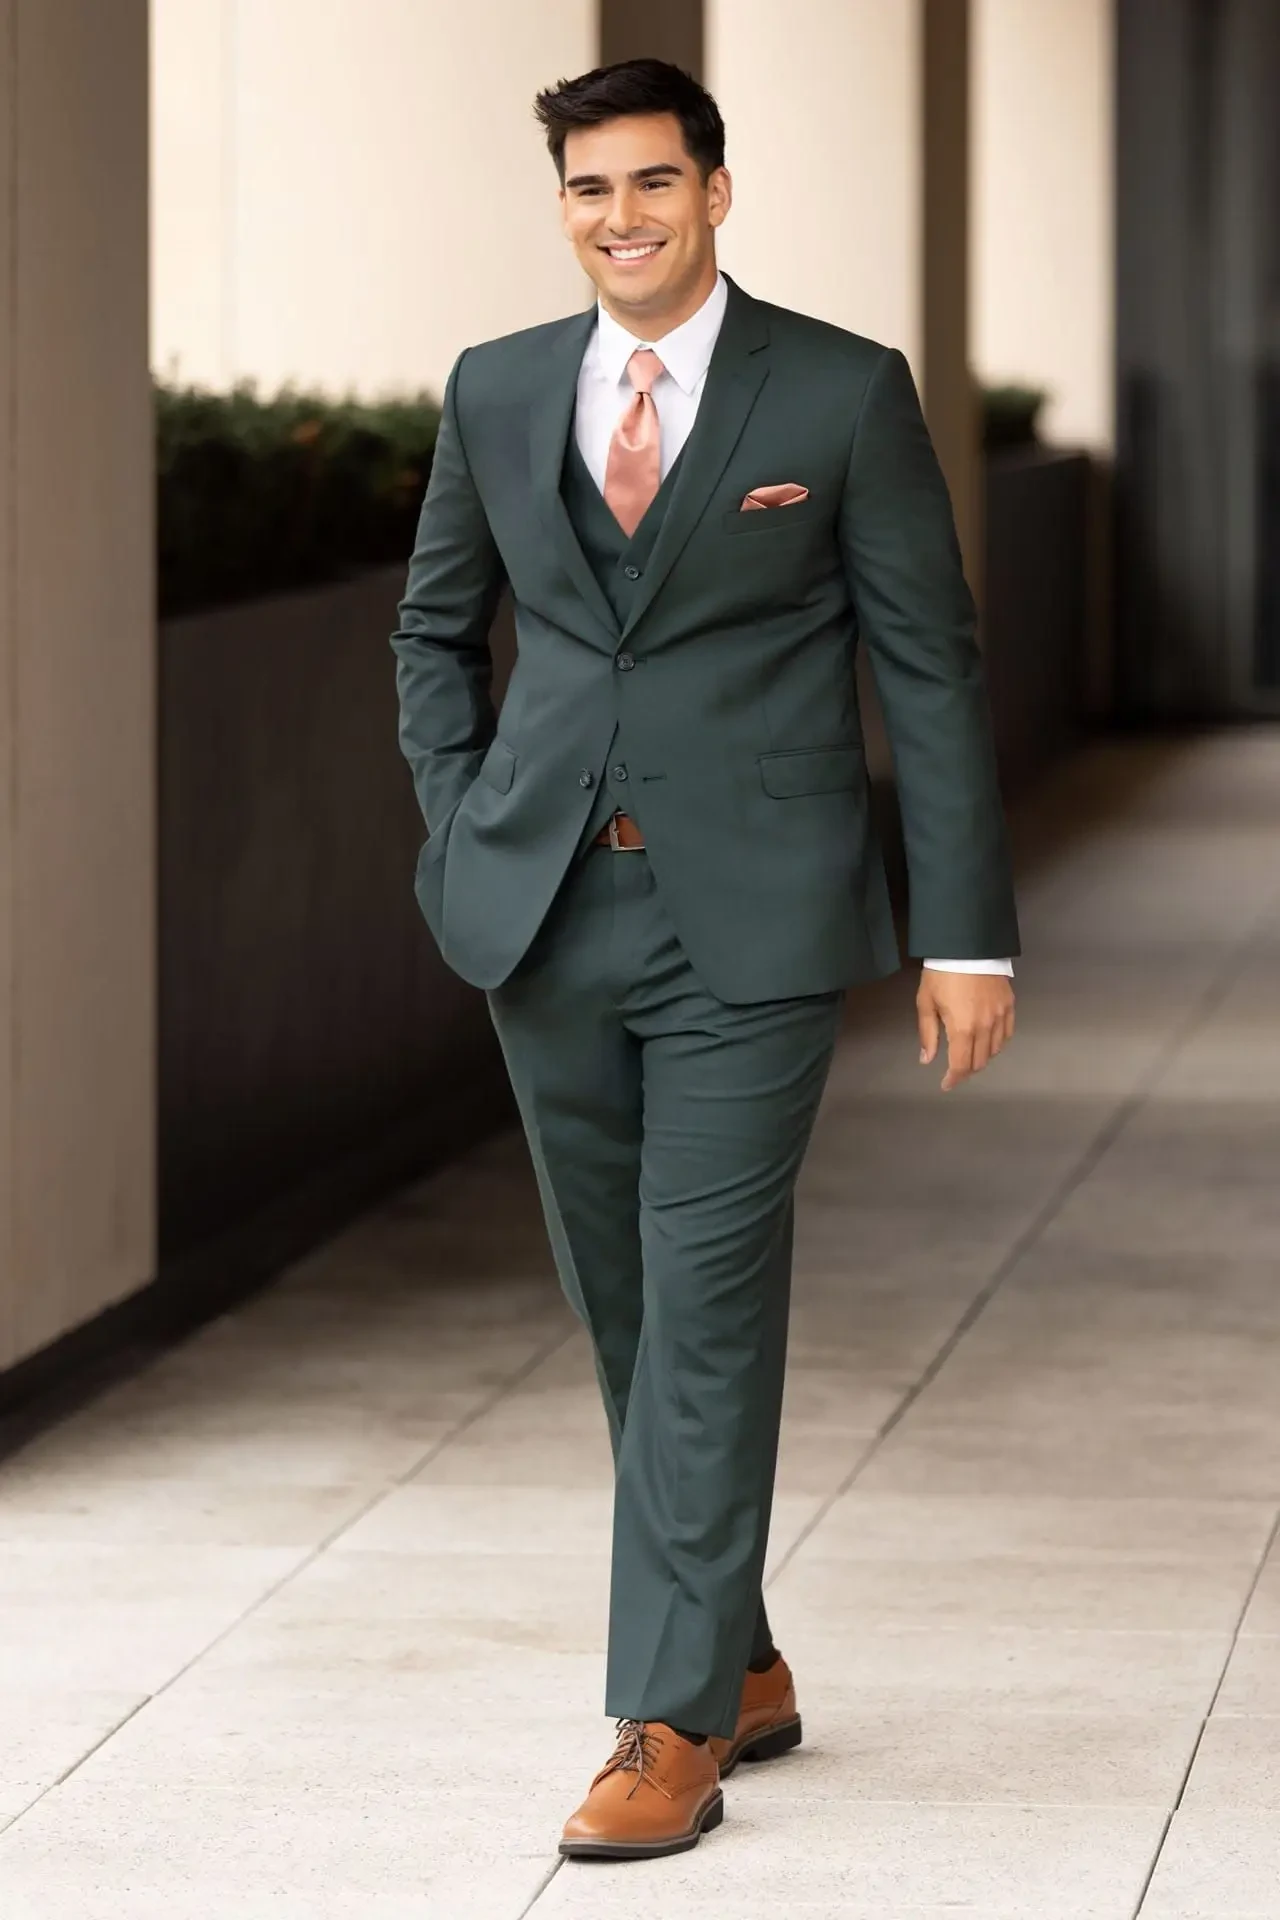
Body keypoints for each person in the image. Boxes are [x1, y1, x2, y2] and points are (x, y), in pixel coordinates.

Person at [391, 57, 1018, 1862]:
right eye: (591, 191)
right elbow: (436, 626)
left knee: (707, 1298)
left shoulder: (837, 390)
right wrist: (461, 820)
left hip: (753, 922)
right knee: (629, 1305)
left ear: (717, 193)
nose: (623, 219)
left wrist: (962, 927)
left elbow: (930, 665)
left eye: (654, 185)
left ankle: (663, 1727)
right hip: (542, 911)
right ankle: (733, 1651)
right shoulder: (500, 389)